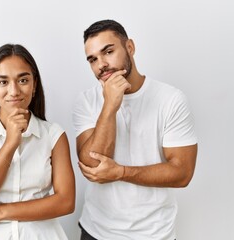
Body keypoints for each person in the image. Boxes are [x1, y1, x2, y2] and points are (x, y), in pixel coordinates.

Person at [73, 19, 198, 240]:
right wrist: (110, 106)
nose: (101, 64)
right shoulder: (87, 101)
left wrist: (121, 172)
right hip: (97, 231)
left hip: (155, 234)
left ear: (129, 47)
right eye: (93, 59)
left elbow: (182, 173)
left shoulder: (170, 99)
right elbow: (92, 165)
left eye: (108, 51)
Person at [0, 43, 75, 240]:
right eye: (3, 82)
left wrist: (0, 211)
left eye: (23, 80)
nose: (14, 91)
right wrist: (10, 143)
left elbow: (66, 202)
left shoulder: (54, 135)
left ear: (34, 85)